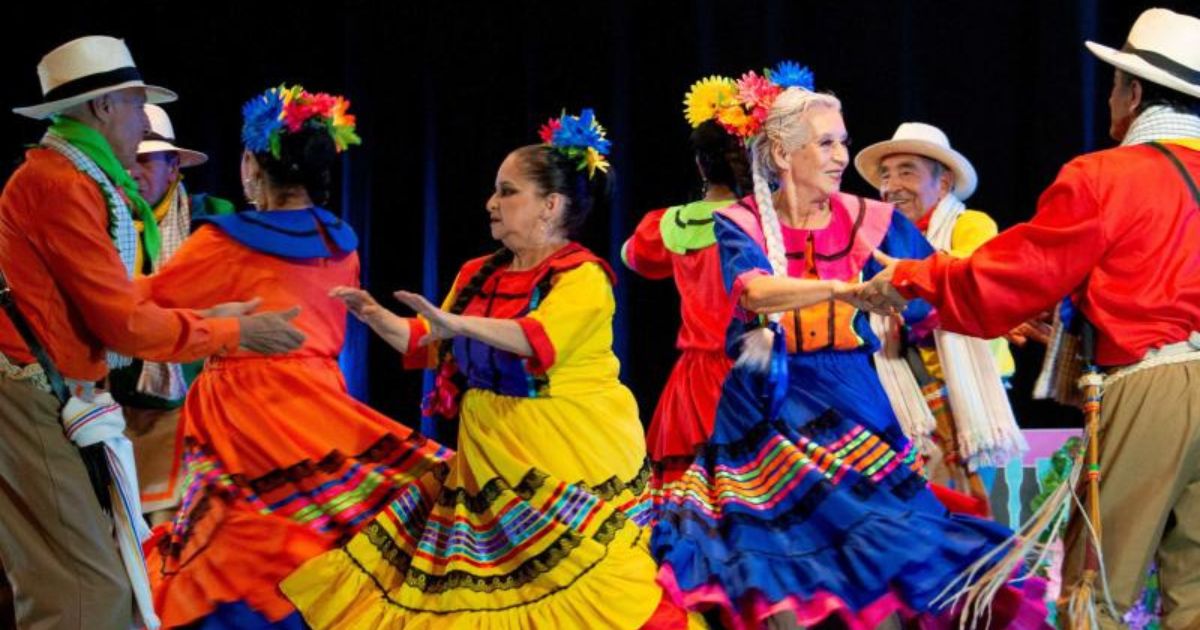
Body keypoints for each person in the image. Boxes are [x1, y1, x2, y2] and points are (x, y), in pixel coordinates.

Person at [651, 87, 1047, 629]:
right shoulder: (737, 222)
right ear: (784, 155)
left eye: (843, 142)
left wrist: (1002, 310)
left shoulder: (874, 220)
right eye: (827, 142)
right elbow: (753, 292)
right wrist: (840, 291)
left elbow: (935, 290)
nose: (841, 156)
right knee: (781, 584)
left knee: (880, 567)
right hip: (768, 405)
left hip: (853, 401)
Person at [279, 110, 689, 628]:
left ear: (551, 206)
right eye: (496, 192)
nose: (491, 204)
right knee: (491, 595)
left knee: (595, 583)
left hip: (565, 447)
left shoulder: (585, 278)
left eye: (508, 192)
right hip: (491, 449)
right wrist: (377, 316)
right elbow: (430, 343)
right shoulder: (479, 274)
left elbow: (533, 339)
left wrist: (453, 322)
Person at [858, 8, 1200, 628]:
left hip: (1156, 387)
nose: (1112, 99)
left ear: (1136, 93)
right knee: (1196, 588)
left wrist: (910, 276)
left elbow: (1004, 279)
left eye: (1117, 86)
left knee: (1096, 585)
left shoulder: (1108, 176)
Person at [0, 36, 303, 630]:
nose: (143, 123)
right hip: (36, 395)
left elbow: (111, 303)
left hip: (72, 395)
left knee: (103, 582)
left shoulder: (77, 178)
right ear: (103, 106)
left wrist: (217, 320)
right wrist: (233, 333)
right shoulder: (60, 184)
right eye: (137, 104)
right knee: (88, 595)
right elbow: (122, 323)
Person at [142, 85, 452, 628]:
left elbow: (146, 306)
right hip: (318, 404)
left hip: (243, 409)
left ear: (251, 164)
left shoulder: (226, 239)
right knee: (315, 537)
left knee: (240, 547)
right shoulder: (342, 241)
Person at [854, 122, 1025, 499]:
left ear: (944, 184)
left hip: (971, 391)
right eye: (886, 174)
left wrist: (905, 288)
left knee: (972, 506)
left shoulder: (970, 225)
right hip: (905, 393)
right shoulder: (879, 240)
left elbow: (963, 281)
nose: (892, 185)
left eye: (907, 171)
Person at [622, 75, 754, 505]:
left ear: (700, 164)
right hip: (754, 370)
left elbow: (632, 255)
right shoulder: (764, 222)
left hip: (694, 381)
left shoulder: (673, 223)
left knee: (693, 502)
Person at [117, 103, 235, 524]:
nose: (134, 170)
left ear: (174, 168)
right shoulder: (96, 222)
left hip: (182, 404)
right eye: (127, 159)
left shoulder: (210, 226)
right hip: (107, 401)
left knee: (168, 526)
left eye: (147, 160)